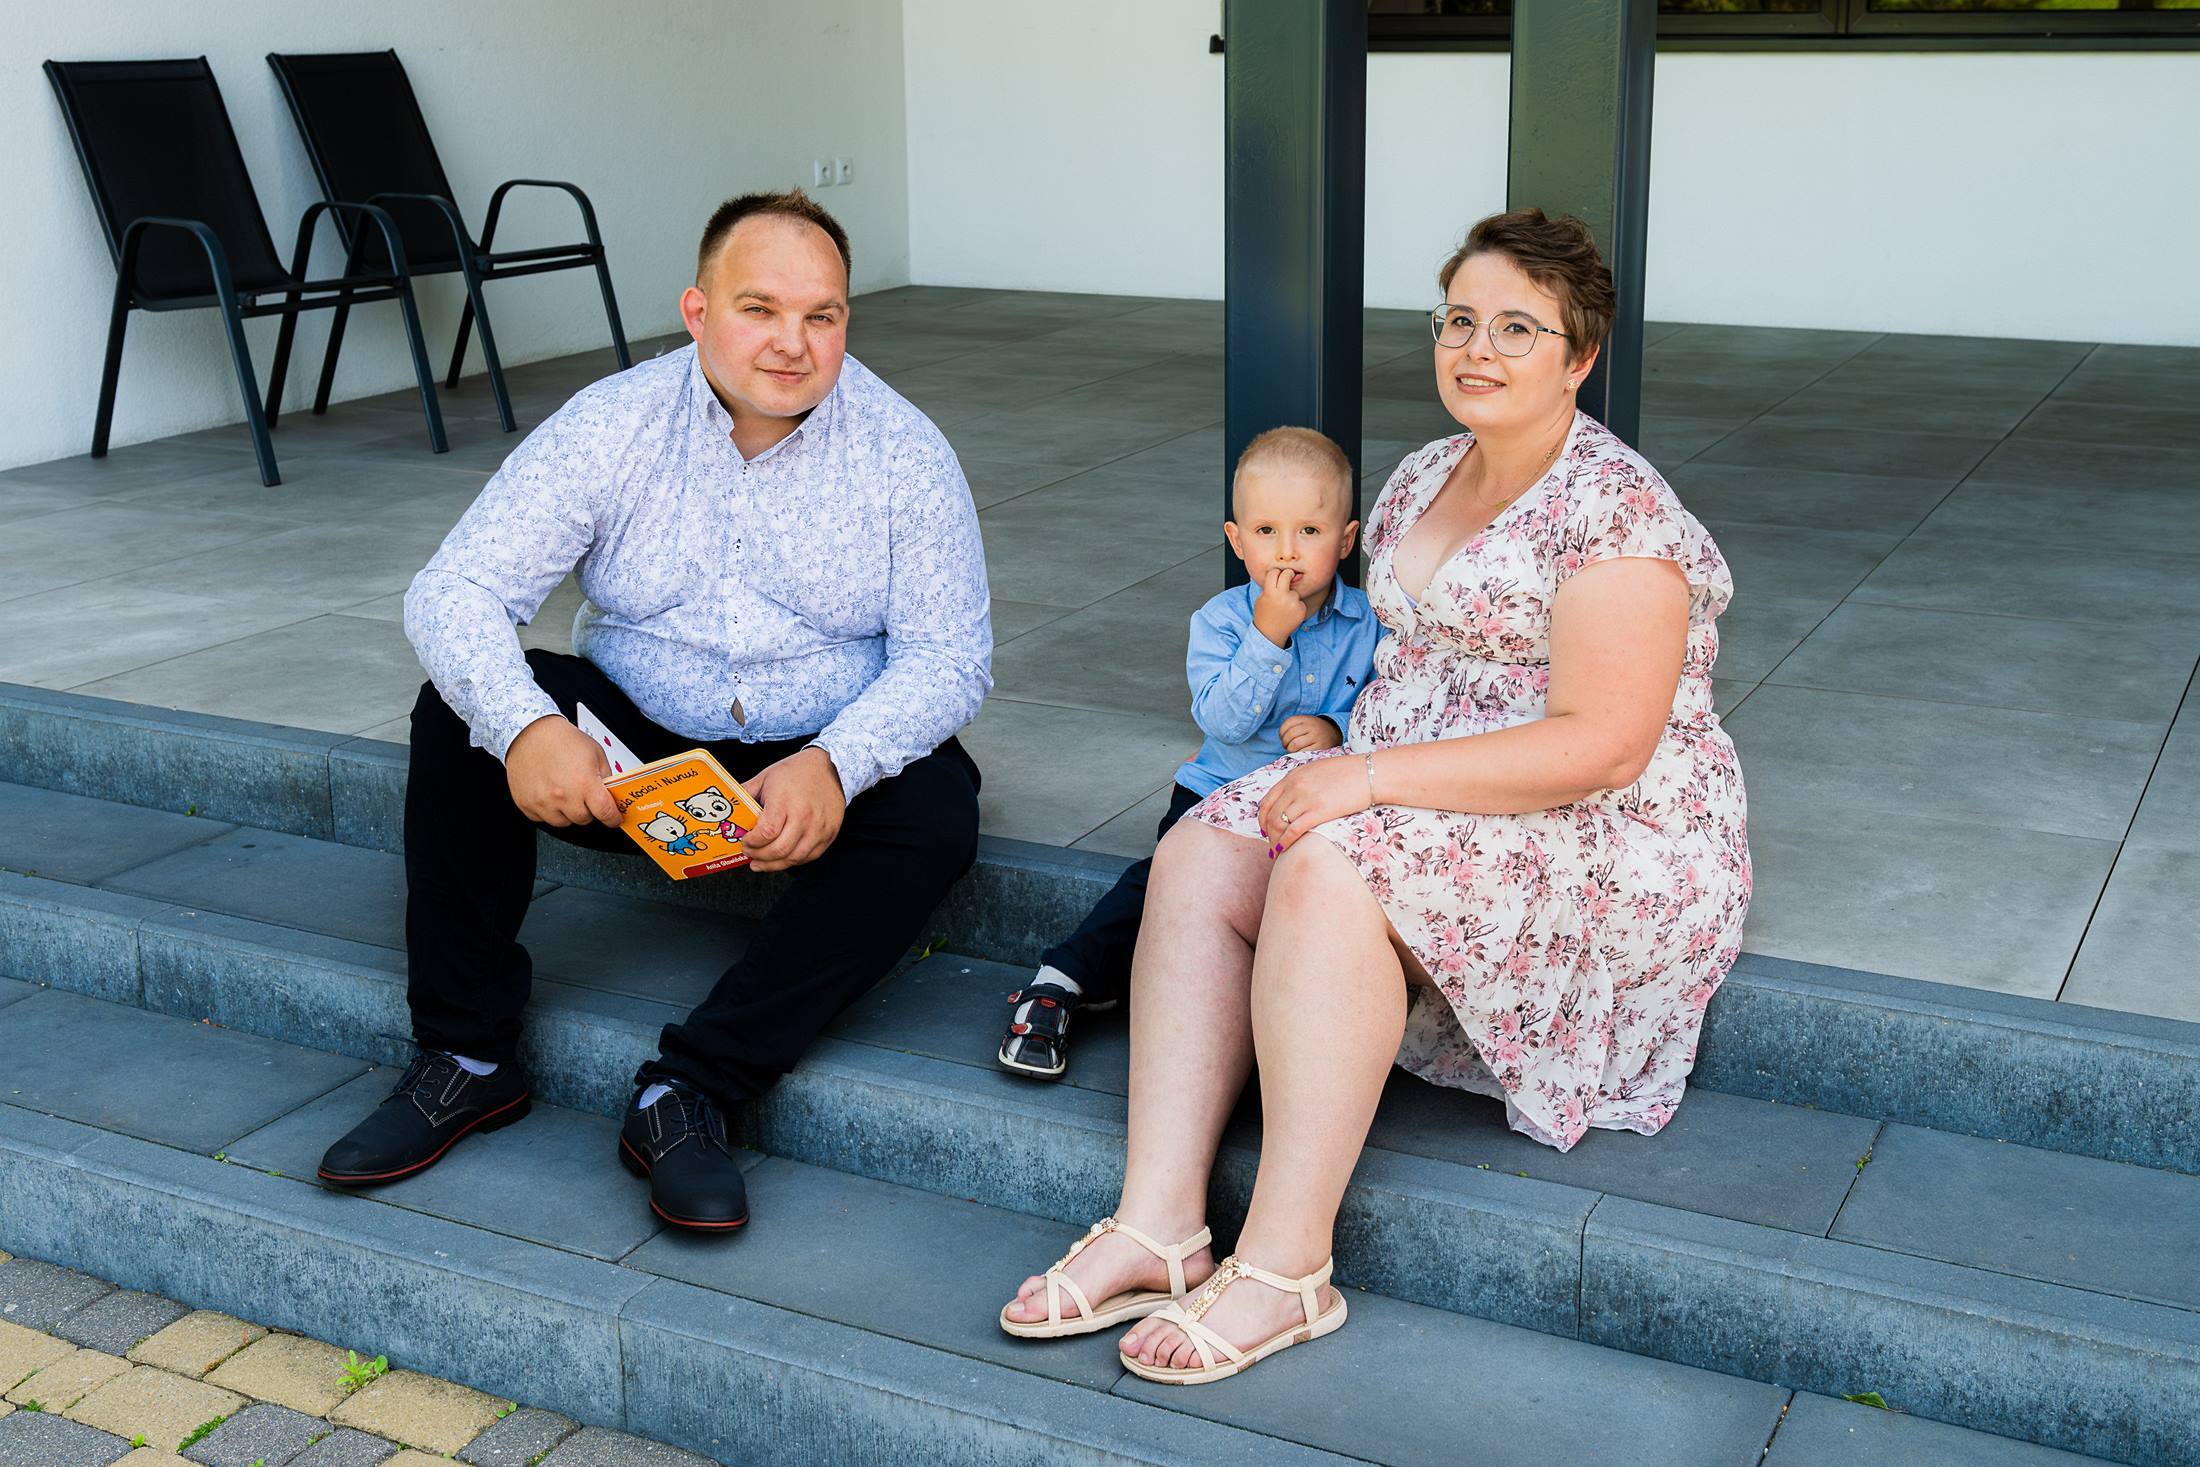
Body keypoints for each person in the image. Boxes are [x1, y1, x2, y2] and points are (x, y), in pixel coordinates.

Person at [999, 208, 1749, 1384]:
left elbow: (1603, 749)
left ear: (1580, 357)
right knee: (1203, 847)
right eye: (1459, 320)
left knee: (1327, 864)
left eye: (1516, 327)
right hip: (1413, 777)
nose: (1477, 348)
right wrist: (1333, 753)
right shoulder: (1419, 476)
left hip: (1594, 830)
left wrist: (1360, 778)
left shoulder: (1619, 515)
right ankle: (1160, 1222)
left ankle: (1287, 1266)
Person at [317, 190, 991, 1233]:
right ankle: (468, 1055)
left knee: (938, 805)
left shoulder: (906, 451)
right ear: (697, 310)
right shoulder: (612, 422)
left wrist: (838, 763)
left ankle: (693, 1089)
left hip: (805, 768)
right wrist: (528, 727)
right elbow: (454, 592)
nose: (793, 342)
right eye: (760, 309)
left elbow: (950, 658)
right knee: (458, 711)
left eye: (821, 315)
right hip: (628, 755)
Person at [998, 428, 1381, 1082]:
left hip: (1319, 814)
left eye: (1310, 531)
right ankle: (1060, 980)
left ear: (1346, 541)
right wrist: (1268, 636)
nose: (1287, 551)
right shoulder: (1221, 622)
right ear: (1236, 540)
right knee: (1160, 887)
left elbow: (1391, 708)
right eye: (1266, 531)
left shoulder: (1372, 625)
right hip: (1216, 796)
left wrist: (1335, 728)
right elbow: (1223, 719)